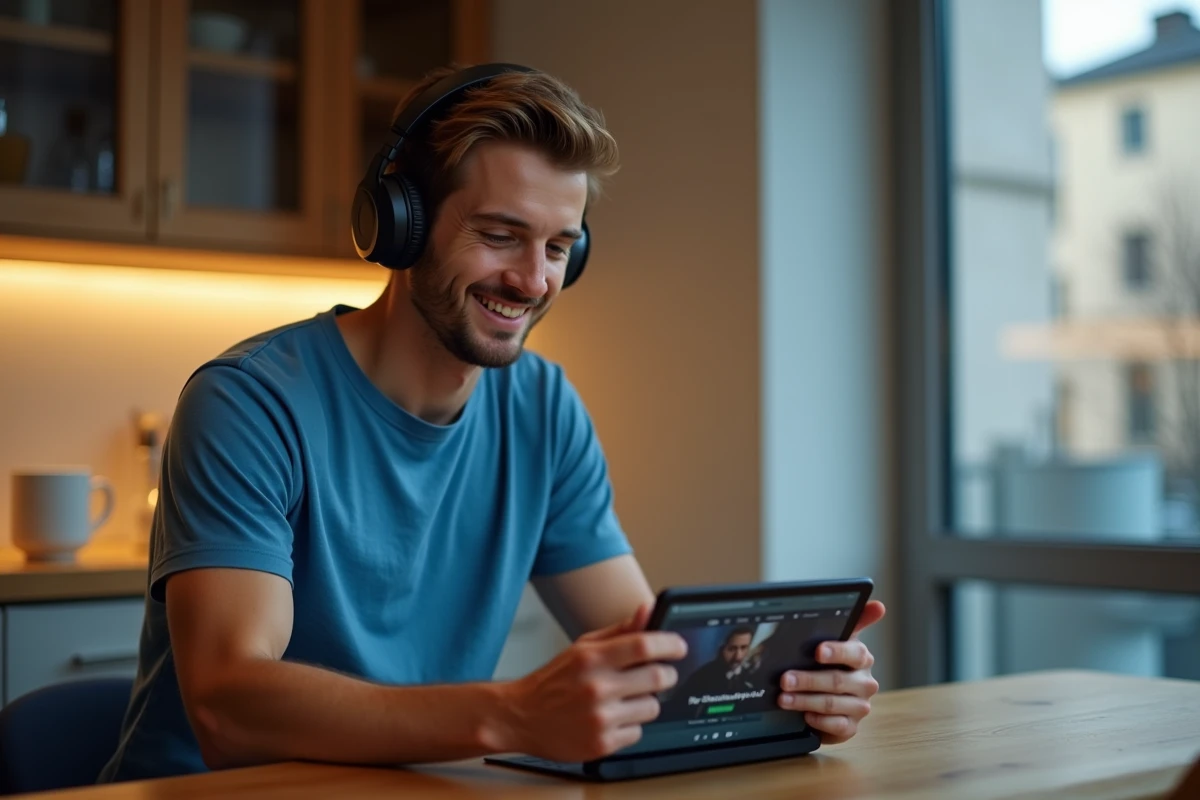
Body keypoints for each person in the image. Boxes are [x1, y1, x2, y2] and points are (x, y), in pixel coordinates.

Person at [98, 63, 885, 783]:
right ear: (402, 223)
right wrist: (511, 713)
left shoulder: (543, 409)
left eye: (559, 248)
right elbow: (231, 707)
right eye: (500, 235)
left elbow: (643, 653)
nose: (532, 280)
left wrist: (782, 691)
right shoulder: (249, 403)